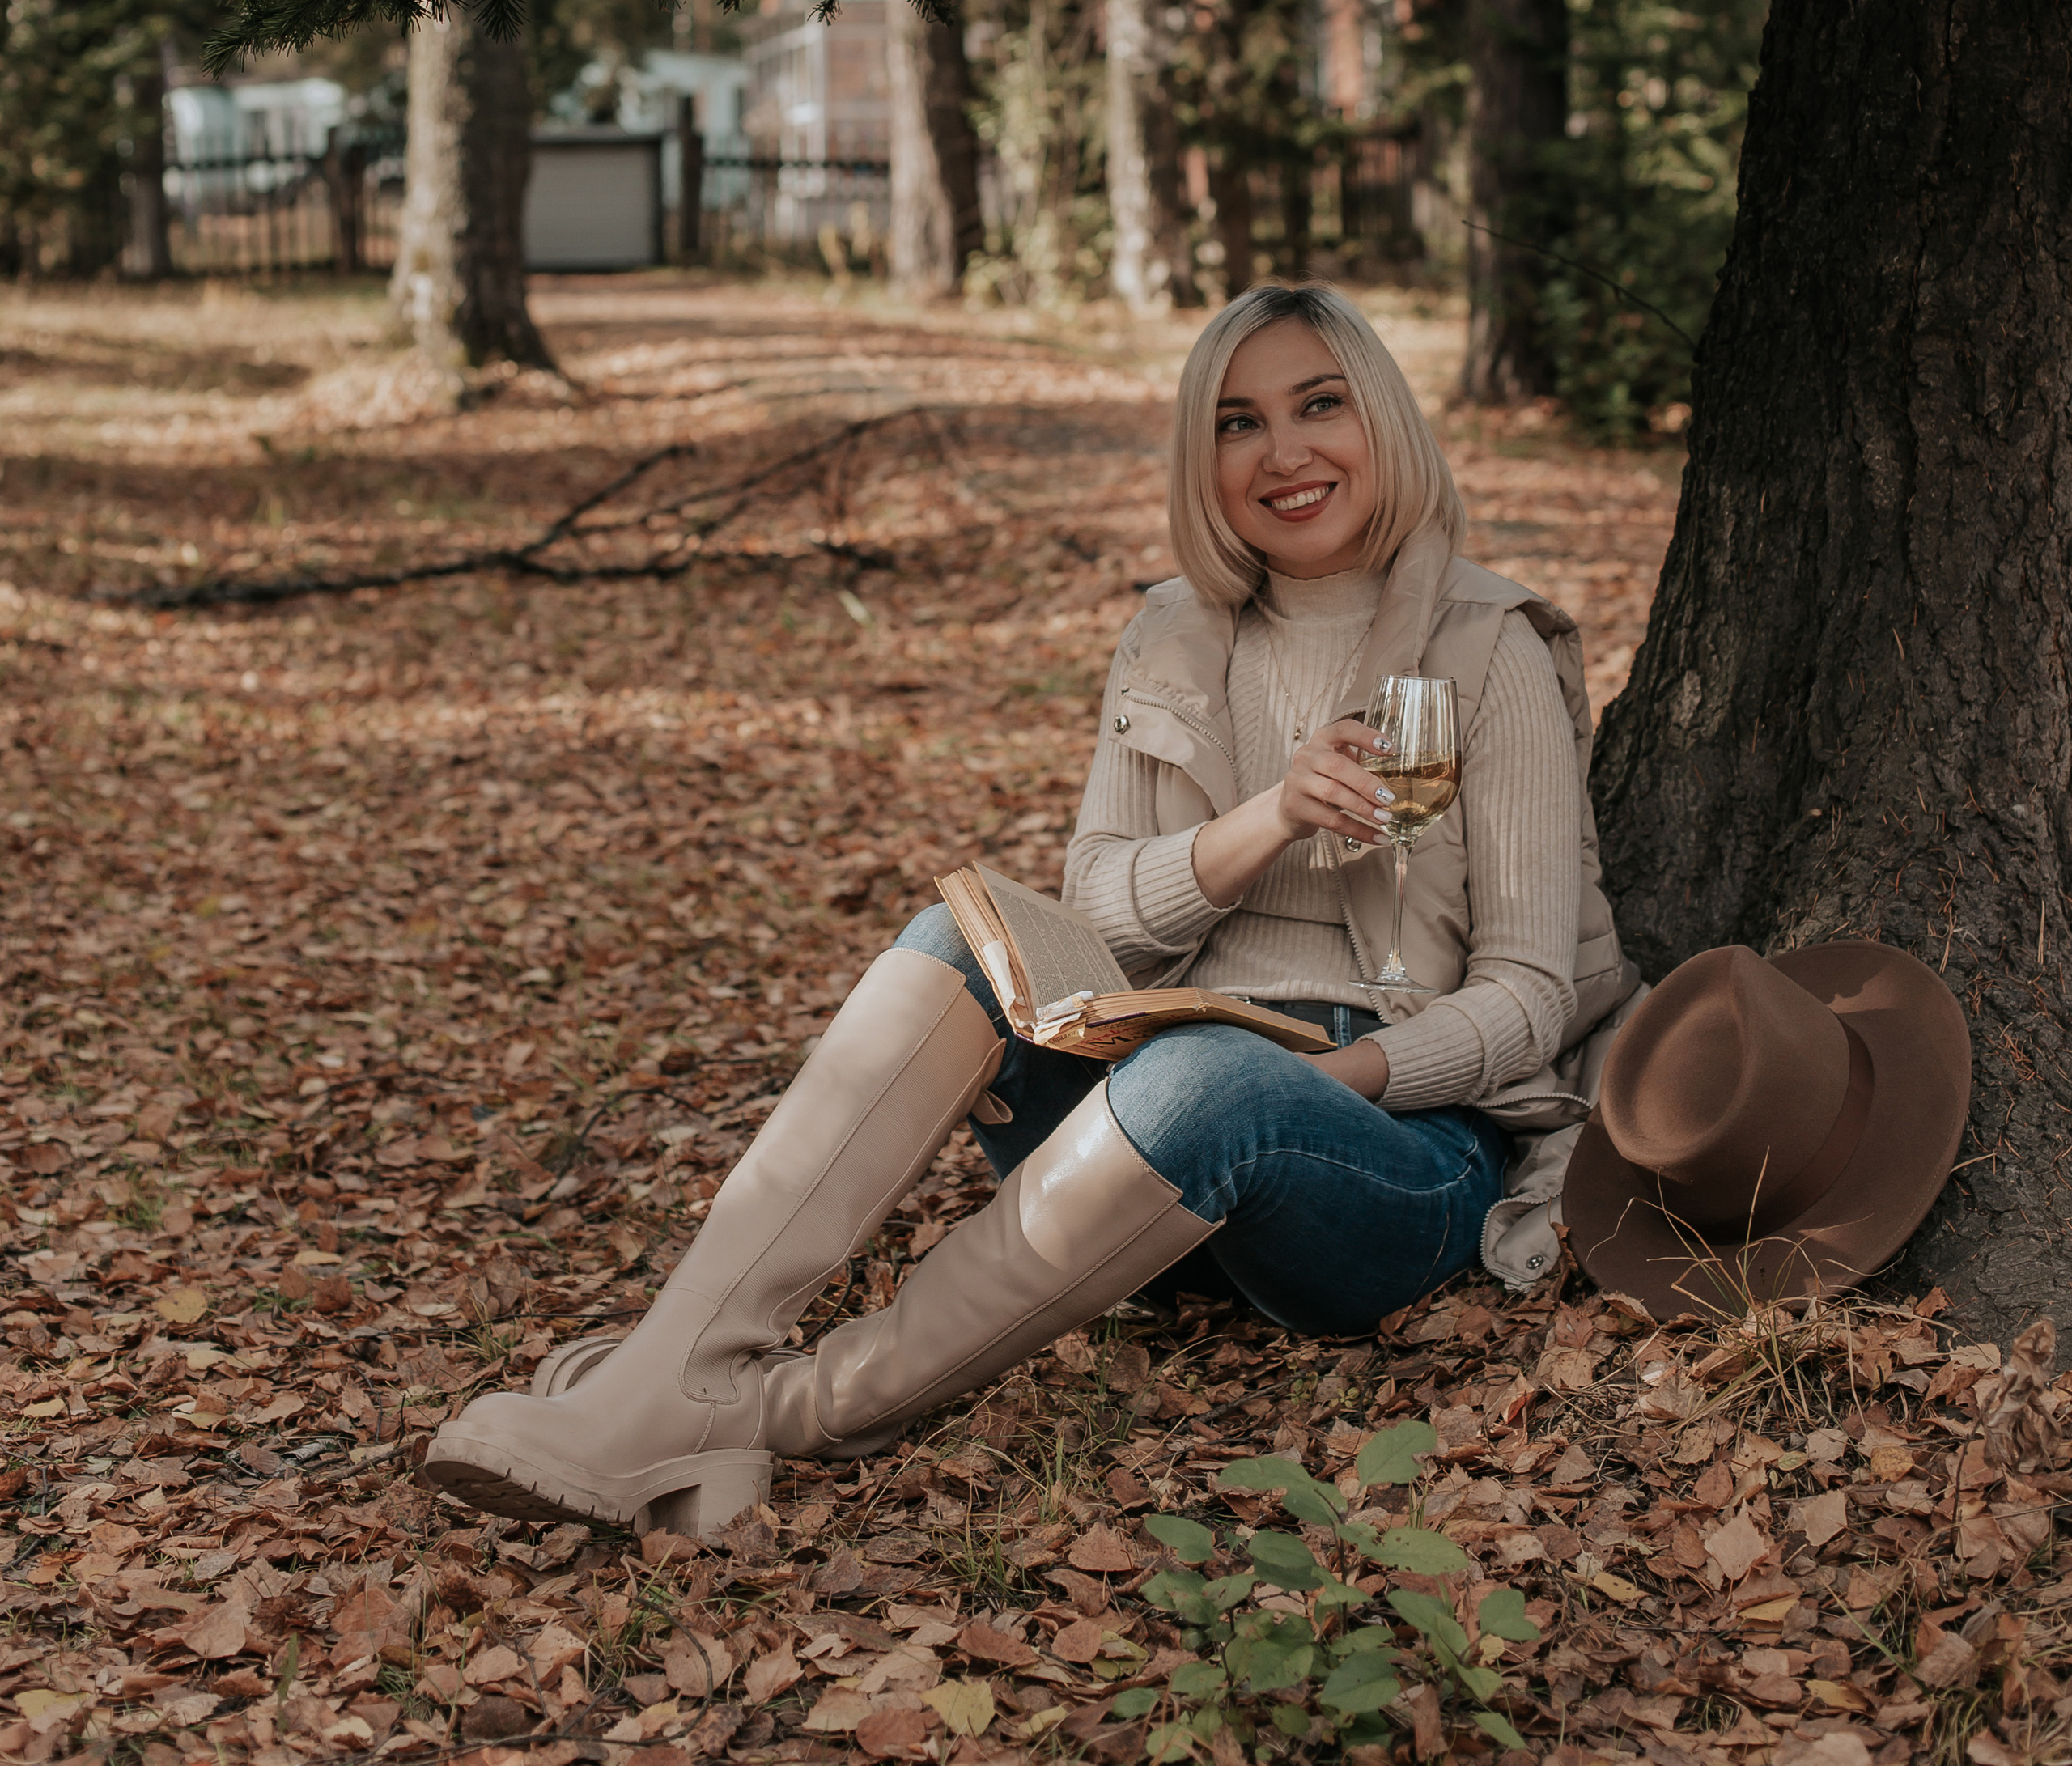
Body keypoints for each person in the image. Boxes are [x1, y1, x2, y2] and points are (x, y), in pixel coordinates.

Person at [424, 282, 1637, 1536]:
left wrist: (1354, 1076)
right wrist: (1265, 818)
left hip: (1386, 1155)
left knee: (1214, 1075)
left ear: (1380, 416)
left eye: (1319, 405)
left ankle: (775, 1414)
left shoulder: (1488, 647)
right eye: (1237, 423)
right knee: (965, 933)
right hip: (1152, 1135)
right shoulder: (1170, 634)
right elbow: (1091, 909)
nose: (1285, 454)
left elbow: (1536, 995)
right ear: (1201, 457)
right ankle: (672, 1370)